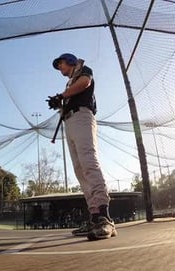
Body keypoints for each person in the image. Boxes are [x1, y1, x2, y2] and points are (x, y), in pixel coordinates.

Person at [46, 53, 117, 240]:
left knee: (88, 162)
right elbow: (70, 95)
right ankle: (94, 217)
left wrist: (62, 96)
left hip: (82, 117)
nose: (59, 68)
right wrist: (60, 103)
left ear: (70, 61)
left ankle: (105, 217)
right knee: (79, 169)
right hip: (70, 122)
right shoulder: (68, 84)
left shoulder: (83, 71)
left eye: (60, 63)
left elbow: (85, 83)